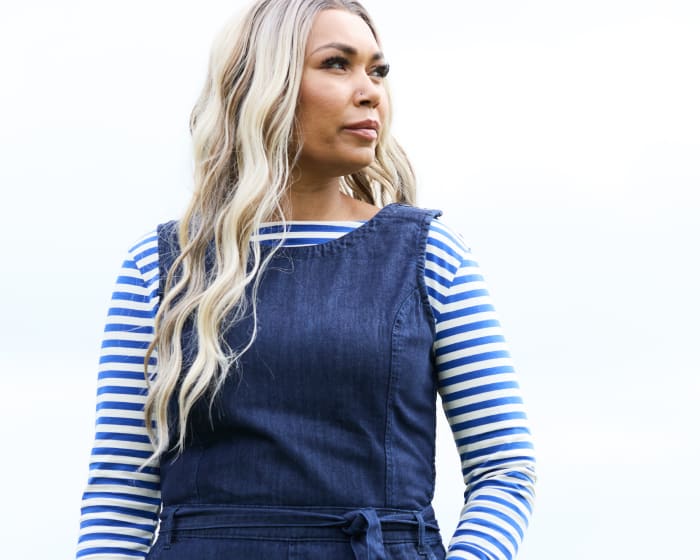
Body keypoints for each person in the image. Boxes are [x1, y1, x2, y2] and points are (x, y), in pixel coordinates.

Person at [76, 0, 536, 558]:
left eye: (378, 70)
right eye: (337, 64)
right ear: (259, 86)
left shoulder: (431, 256)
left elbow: (504, 470)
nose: (370, 92)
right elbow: (119, 499)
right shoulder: (163, 266)